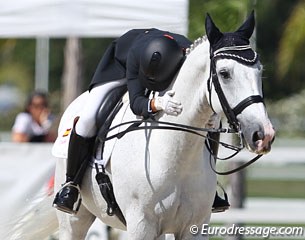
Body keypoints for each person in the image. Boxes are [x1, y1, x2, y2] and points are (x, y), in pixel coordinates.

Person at [53, 28, 229, 214]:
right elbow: (136, 104)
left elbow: (201, 96)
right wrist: (156, 102)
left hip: (168, 67)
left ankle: (210, 182)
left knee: (212, 122)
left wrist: (212, 115)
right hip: (120, 67)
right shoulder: (135, 54)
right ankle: (71, 184)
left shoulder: (187, 59)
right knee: (87, 119)